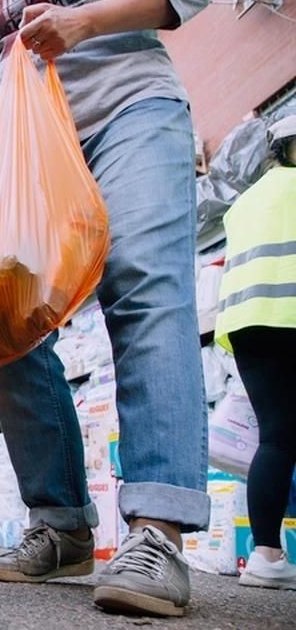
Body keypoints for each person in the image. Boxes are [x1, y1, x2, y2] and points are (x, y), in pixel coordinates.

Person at [0, 0, 211, 617]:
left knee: (144, 285)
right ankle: (61, 525)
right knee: (3, 318)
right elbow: (4, 81)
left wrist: (85, 20)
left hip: (128, 108)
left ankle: (158, 531)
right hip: (31, 149)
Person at [214, 114, 296, 590]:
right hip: (291, 314)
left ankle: (266, 556)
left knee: (277, 439)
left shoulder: (245, 202)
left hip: (248, 328)